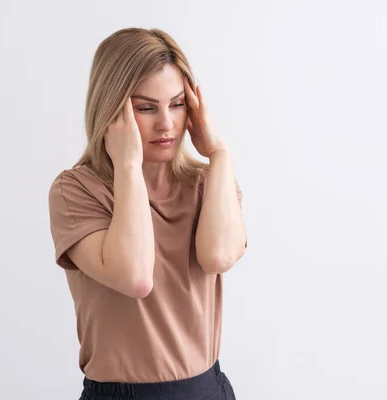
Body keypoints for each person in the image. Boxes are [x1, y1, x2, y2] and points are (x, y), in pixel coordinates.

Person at [48, 27, 247, 400]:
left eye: (176, 104)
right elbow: (135, 277)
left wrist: (219, 154)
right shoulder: (76, 190)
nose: (166, 124)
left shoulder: (208, 183)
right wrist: (127, 166)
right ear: (111, 110)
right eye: (145, 108)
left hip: (207, 388)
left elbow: (218, 256)